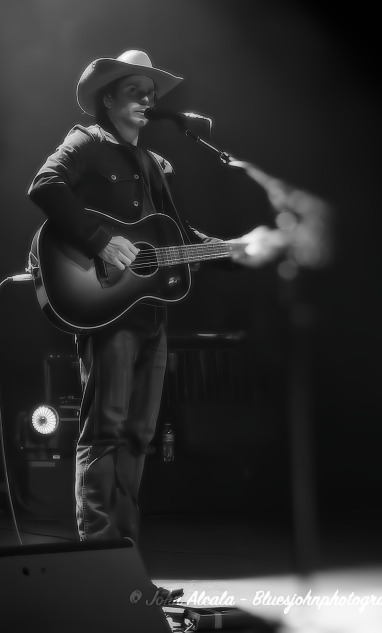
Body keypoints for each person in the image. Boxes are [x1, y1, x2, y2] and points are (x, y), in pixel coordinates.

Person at [27, 48, 260, 545]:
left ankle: (124, 555)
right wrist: (100, 241)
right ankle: (99, 561)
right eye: (135, 89)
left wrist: (232, 250)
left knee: (139, 436)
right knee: (105, 428)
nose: (148, 98)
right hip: (107, 309)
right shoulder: (85, 142)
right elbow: (45, 186)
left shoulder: (158, 165)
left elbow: (175, 234)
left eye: (151, 92)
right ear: (108, 98)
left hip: (152, 314)